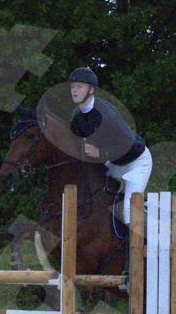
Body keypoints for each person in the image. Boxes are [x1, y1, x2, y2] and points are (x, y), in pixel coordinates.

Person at [64, 66, 152, 228]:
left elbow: (127, 144)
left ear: (91, 90)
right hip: (112, 163)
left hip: (136, 162)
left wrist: (99, 152)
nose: (74, 91)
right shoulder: (76, 115)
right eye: (73, 87)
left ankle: (143, 227)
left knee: (128, 210)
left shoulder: (105, 112)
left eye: (79, 87)